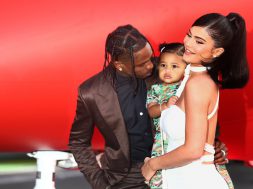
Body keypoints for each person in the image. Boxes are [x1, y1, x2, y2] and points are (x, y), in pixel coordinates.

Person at [69, 24, 230, 189]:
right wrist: (98, 182)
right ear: (119, 64)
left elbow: (199, 109)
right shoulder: (91, 92)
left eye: (150, 57)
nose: (151, 66)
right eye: (142, 64)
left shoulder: (167, 68)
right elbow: (78, 142)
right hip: (124, 177)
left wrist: (213, 145)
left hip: (170, 166)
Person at [141, 12, 249, 189]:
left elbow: (193, 150)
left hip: (194, 181)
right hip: (181, 179)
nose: (188, 43)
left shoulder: (198, 85)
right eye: (189, 35)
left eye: (199, 41)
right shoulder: (190, 76)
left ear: (217, 51)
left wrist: (152, 164)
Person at [146, 42, 186, 189]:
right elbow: (151, 111)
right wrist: (164, 106)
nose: (167, 70)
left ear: (186, 68)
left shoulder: (187, 86)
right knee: (160, 176)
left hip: (185, 137)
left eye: (174, 66)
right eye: (163, 65)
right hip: (162, 139)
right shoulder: (156, 89)